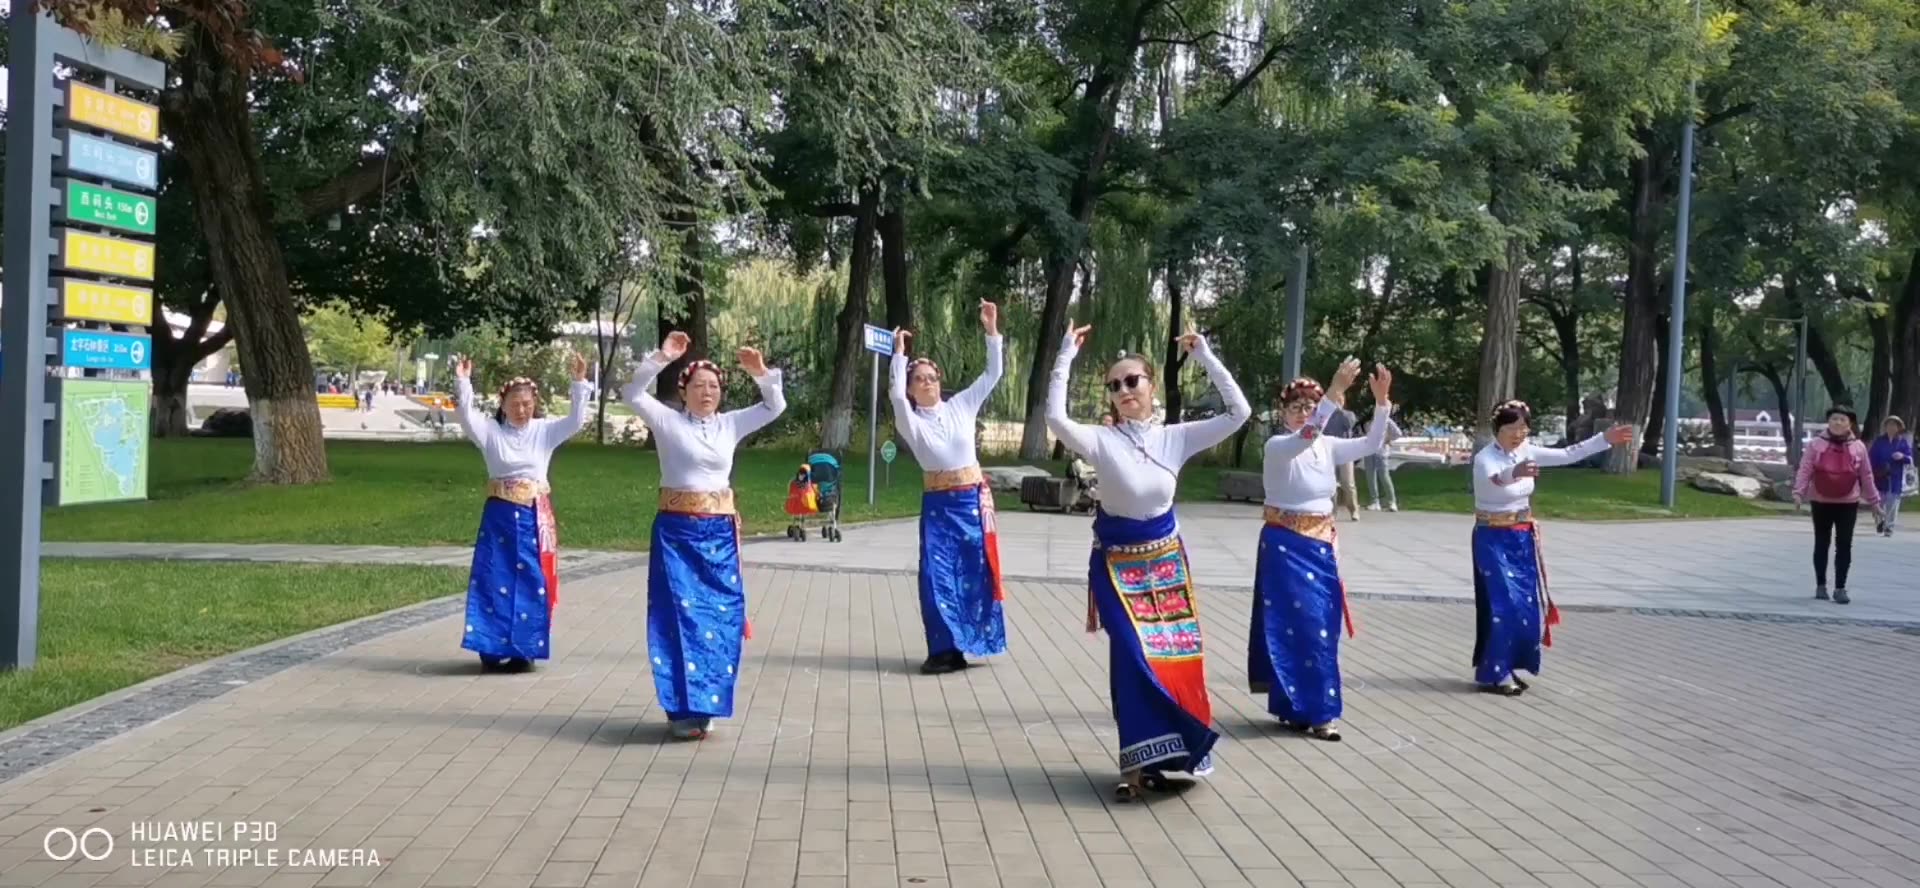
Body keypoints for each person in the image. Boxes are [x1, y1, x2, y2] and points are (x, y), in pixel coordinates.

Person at [1047, 322, 1250, 802]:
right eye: (1114, 385)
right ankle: (1133, 767)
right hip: (1116, 567)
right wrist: (1063, 357)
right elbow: (1055, 419)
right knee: (1133, 658)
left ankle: (1171, 756)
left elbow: (1239, 412)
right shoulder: (1100, 439)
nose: (1123, 391)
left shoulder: (1175, 438)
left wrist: (1204, 355)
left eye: (1131, 381)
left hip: (1165, 567)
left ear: (1150, 384)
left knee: (1173, 660)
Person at [624, 332, 785, 740]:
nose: (707, 392)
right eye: (699, 386)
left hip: (718, 537)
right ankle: (681, 706)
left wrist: (761, 374)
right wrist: (663, 356)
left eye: (714, 386)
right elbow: (631, 392)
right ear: (684, 391)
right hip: (677, 534)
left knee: (721, 617)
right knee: (678, 617)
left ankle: (709, 701)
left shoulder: (730, 424)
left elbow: (775, 406)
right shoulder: (667, 420)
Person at [1250, 357, 1393, 742]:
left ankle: (1305, 707)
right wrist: (1332, 392)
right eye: (1295, 407)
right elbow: (1307, 436)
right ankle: (1314, 711)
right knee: (1296, 626)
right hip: (1285, 544)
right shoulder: (1280, 445)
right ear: (1282, 413)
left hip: (1321, 544)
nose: (1303, 413)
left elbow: (1371, 443)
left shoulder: (1327, 446)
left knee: (1322, 627)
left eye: (1309, 407)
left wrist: (1381, 404)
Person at [1471, 400, 1634, 695]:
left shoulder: (1527, 451)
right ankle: (1496, 672)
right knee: (1502, 604)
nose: (1518, 434)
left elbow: (1568, 454)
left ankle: (1508, 665)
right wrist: (1516, 472)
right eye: (1511, 428)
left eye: (1523, 427)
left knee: (1524, 604)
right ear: (1498, 428)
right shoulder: (1485, 459)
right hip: (1492, 537)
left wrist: (1603, 440)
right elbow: (1494, 482)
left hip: (1520, 536)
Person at [452, 351, 593, 672]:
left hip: (532, 516)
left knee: (531, 577)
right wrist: (463, 381)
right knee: (493, 575)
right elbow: (465, 413)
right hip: (500, 516)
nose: (521, 409)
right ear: (503, 405)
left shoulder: (544, 431)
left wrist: (579, 383)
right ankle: (490, 644)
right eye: (515, 403)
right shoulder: (489, 432)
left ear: (535, 405)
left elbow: (575, 421)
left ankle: (524, 647)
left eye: (527, 403)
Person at [889, 301, 1007, 676]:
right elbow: (893, 396)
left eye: (931, 377)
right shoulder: (911, 421)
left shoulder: (962, 406)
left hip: (970, 501)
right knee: (936, 576)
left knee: (974, 571)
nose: (927, 382)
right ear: (910, 388)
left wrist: (991, 331)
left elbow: (993, 373)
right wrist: (898, 355)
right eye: (918, 378)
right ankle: (943, 650)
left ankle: (972, 640)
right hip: (939, 506)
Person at [1793, 407, 1883, 603]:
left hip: (1848, 502)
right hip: (1820, 501)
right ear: (1828, 422)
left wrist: (1875, 502)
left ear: (1849, 423)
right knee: (1821, 543)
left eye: (1842, 419)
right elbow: (1805, 469)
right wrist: (1799, 492)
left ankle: (1840, 588)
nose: (1837, 423)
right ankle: (1821, 585)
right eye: (1834, 419)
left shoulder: (1858, 447)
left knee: (1844, 545)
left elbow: (1866, 475)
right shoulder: (1816, 445)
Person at [1869, 416, 1911, 536]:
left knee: (1893, 503)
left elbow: (1909, 458)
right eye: (1889, 425)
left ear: (1898, 427)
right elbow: (1871, 457)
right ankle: (1880, 523)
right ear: (1885, 427)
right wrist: (1872, 472)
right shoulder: (1879, 441)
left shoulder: (1902, 442)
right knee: (1878, 502)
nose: (1891, 427)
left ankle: (1889, 527)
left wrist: (1902, 457)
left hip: (1895, 478)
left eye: (1894, 425)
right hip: (1880, 476)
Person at [1324, 405, 1361, 520]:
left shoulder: (1348, 414)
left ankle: (1354, 510)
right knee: (1331, 483)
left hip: (1345, 451)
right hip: (1330, 452)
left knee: (1348, 482)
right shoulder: (1326, 415)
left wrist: (1340, 410)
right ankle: (1333, 512)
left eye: (1339, 400)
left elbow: (1350, 424)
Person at [1364, 407, 1403, 512]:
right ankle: (1374, 502)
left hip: (1381, 453)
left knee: (1384, 476)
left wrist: (1387, 439)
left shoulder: (1387, 421)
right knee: (1370, 477)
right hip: (1369, 452)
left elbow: (1398, 433)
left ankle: (1392, 502)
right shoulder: (1369, 423)